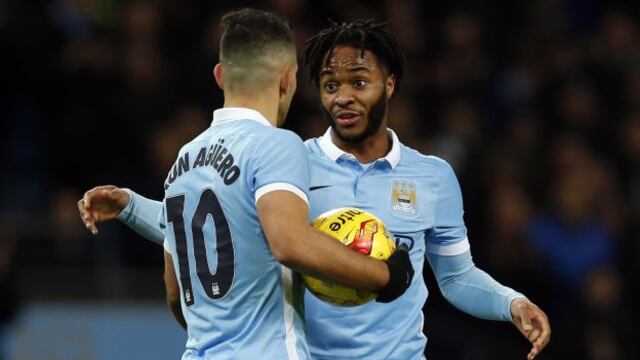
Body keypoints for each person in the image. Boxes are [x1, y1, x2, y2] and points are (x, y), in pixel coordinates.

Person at [79, 19, 550, 360]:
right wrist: (131, 206)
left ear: (390, 85)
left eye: (358, 82)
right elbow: (218, 232)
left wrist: (511, 303)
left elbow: (455, 277)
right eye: (329, 84)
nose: (343, 96)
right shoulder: (290, 162)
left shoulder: (433, 176)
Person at [77, 10, 414, 360]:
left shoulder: (183, 162)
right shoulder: (277, 144)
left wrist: (131, 206)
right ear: (287, 80)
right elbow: (288, 242)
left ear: (220, 76)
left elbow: (176, 292)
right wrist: (384, 275)